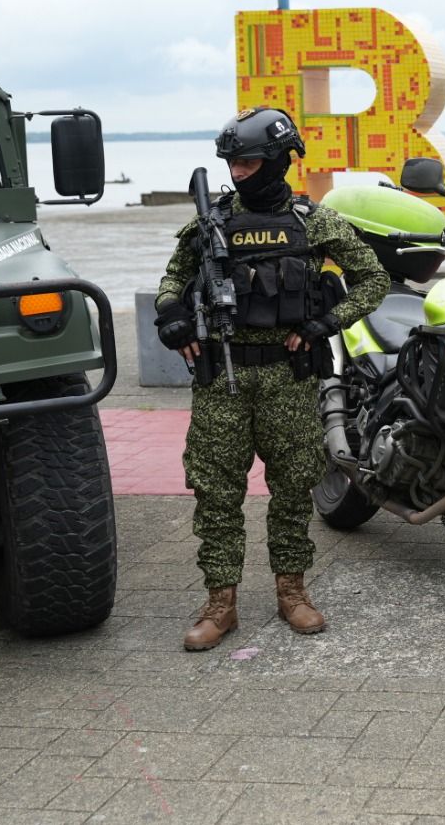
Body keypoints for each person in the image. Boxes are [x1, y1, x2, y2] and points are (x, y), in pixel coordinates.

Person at [153, 107, 388, 650]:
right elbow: (173, 279)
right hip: (222, 378)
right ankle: (221, 601)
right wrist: (172, 317)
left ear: (280, 160)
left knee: (292, 489)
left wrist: (329, 322)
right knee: (215, 491)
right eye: (232, 163)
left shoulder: (314, 223)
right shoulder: (209, 223)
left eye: (250, 161)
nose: (238, 172)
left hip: (290, 376)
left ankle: (292, 591)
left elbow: (373, 278)